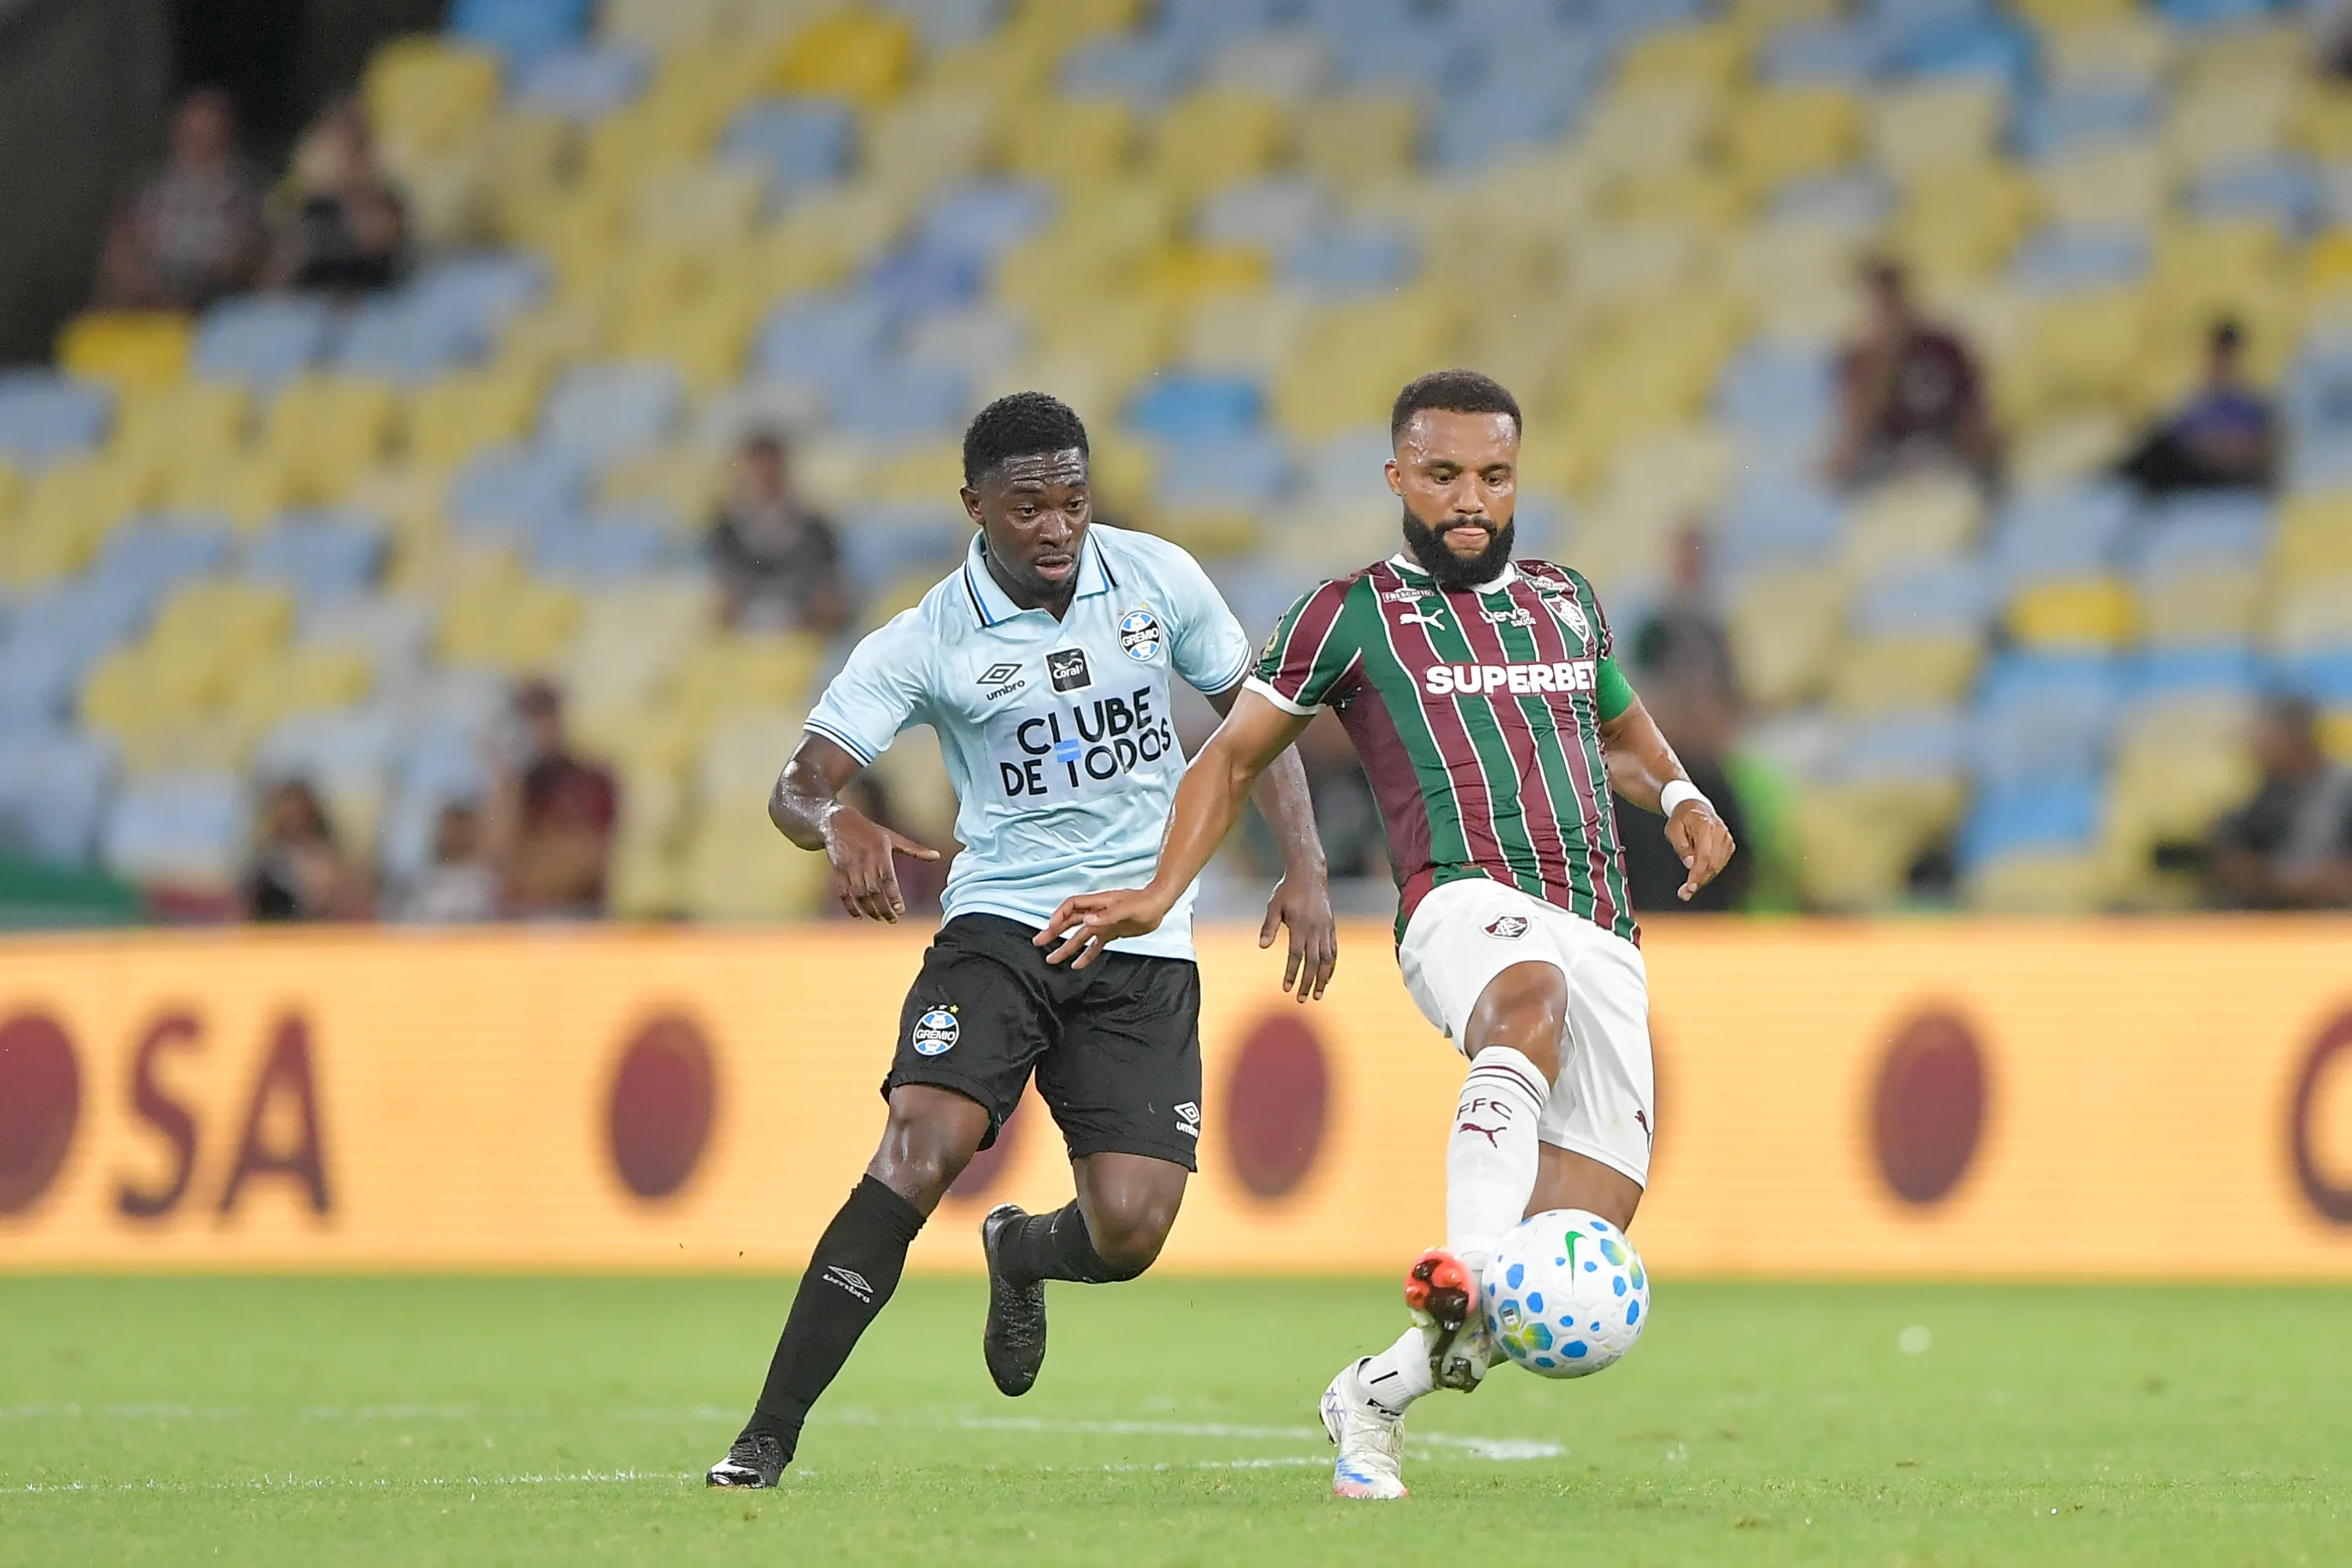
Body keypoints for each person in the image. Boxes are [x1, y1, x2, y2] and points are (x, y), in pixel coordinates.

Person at [1034, 371, 1737, 1501]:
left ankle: (1374, 1394)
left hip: (1602, 925)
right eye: (1444, 474)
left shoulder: (1566, 601)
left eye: (1494, 476)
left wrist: (1685, 797)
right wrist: (1161, 891)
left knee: (1572, 1254)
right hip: (1461, 898)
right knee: (1528, 999)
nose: (1471, 499)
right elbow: (1234, 754)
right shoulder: (1349, 613)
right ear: (1399, 477)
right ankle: (1464, 1256)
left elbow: (1618, 735)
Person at [703, 392, 1335, 1489]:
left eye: (1073, 502)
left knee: (1131, 1229)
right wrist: (838, 821)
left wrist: (1307, 866)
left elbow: (1258, 724)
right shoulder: (926, 637)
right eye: (1029, 506)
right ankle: (765, 1437)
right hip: (1003, 923)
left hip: (1140, 932)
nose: (1056, 527)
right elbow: (797, 785)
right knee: (920, 1149)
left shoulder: (1158, 578)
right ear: (976, 506)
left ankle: (1019, 1251)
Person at [1826, 258, 2000, 491]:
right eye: (1881, 302)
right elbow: (1855, 432)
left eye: (1893, 298)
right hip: (1891, 455)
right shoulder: (1858, 359)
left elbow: (1975, 407)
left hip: (1947, 444)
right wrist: (1884, 362)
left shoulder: (1942, 346)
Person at [94, 88, 268, 313]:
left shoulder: (247, 189)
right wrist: (146, 288)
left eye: (210, 130)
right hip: (146, 298)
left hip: (216, 299)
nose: (202, 138)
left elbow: (247, 252)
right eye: (194, 130)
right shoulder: (147, 185)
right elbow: (120, 244)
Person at [482, 679, 619, 918]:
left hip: (574, 916)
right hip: (519, 918)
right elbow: (495, 858)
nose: (536, 727)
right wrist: (507, 783)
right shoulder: (517, 784)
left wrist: (527, 865)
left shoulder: (590, 779)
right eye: (527, 717)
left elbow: (583, 864)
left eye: (543, 714)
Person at [2208, 693, 2352, 910]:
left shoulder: (2343, 790)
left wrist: (2322, 880)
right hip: (2278, 916)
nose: (2257, 747)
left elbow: (2338, 877)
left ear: (2297, 737)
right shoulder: (2270, 793)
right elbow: (2236, 856)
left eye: (2268, 736)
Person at [707, 430, 854, 637]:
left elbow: (829, 582)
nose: (763, 478)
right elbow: (722, 584)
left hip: (804, 629)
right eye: (757, 470)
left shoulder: (813, 526)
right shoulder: (725, 528)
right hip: (742, 631)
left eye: (770, 470)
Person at [2118, 320, 2278, 497]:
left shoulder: (2248, 403)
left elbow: (2251, 450)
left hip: (2217, 473)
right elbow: (2177, 427)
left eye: (2223, 356)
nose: (2217, 363)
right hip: (2188, 460)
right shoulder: (2203, 397)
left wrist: (2211, 448)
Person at [267, 98, 408, 293]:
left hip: (377, 300)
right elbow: (282, 268)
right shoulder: (315, 207)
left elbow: (380, 241)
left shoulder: (386, 201)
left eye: (353, 147)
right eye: (339, 147)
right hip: (317, 301)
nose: (345, 157)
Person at [245, 778, 368, 921]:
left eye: (297, 813)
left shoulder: (325, 857)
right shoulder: (268, 861)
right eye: (286, 814)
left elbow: (342, 900)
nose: (292, 820)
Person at [397, 800, 500, 923]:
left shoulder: (485, 880)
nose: (454, 836)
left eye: (460, 829)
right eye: (450, 829)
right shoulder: (425, 878)